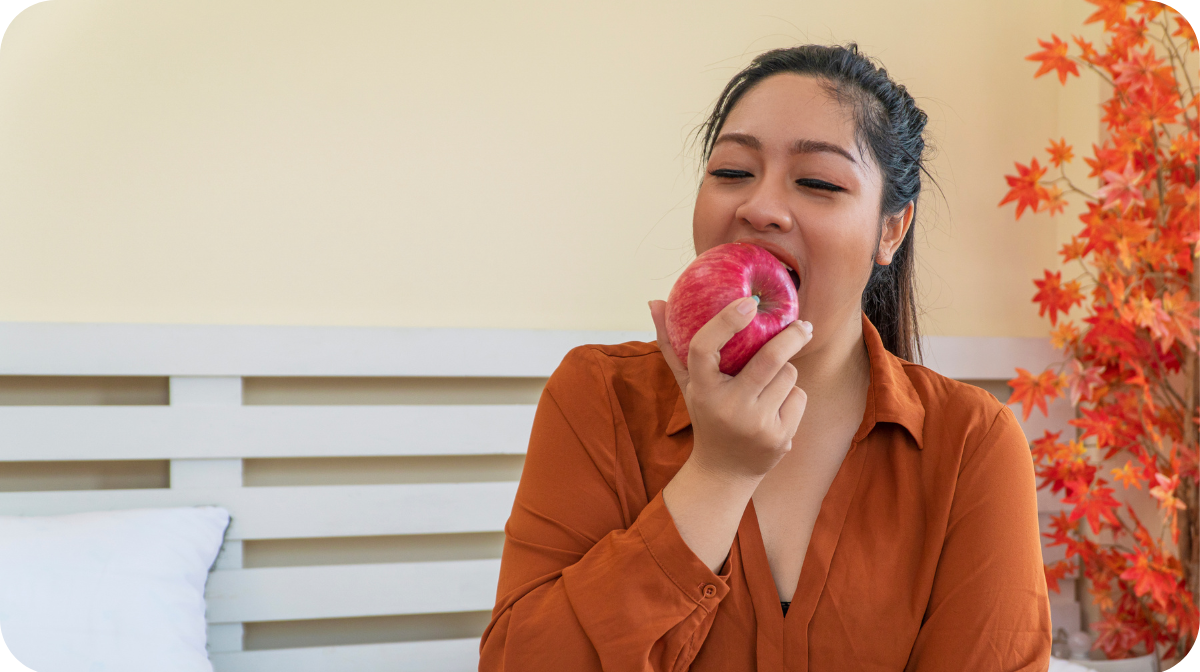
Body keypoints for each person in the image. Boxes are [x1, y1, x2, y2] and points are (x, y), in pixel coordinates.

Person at [479, 43, 1051, 671]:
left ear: (891, 229)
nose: (759, 207)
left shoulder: (972, 443)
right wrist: (717, 475)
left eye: (817, 182)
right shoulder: (597, 395)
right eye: (731, 173)